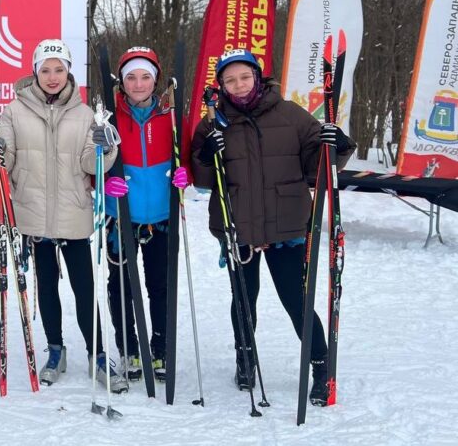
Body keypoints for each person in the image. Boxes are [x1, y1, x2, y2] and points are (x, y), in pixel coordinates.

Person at [190, 49, 354, 406]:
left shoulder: (291, 114)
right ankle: (245, 356)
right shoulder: (212, 121)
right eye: (230, 80)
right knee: (244, 300)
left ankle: (320, 365)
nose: (238, 85)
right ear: (221, 85)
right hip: (239, 226)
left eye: (244, 77)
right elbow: (203, 181)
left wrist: (338, 148)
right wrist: (205, 155)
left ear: (258, 76)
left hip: (287, 226)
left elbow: (317, 167)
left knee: (297, 300)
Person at [0, 39, 127, 393]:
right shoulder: (14, 112)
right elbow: (7, 163)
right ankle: (55, 351)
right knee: (46, 288)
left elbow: (88, 164)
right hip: (33, 217)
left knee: (84, 290)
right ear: (35, 72)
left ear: (69, 73)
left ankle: (97, 354)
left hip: (73, 214)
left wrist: (105, 148)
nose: (52, 77)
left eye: (59, 69)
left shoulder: (84, 115)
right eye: (46, 70)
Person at [102, 47, 188, 383]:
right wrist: (104, 180)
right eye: (131, 77)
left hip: (161, 217)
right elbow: (92, 161)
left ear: (156, 80)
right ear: (122, 83)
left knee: (160, 286)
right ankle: (130, 350)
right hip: (120, 217)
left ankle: (162, 350)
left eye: (145, 77)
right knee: (121, 285)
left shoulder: (171, 118)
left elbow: (189, 159)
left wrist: (185, 177)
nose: (139, 84)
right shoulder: (109, 118)